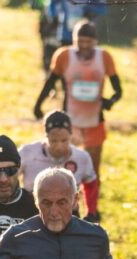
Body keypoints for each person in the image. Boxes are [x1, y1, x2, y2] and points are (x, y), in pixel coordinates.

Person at [33, 20, 121, 224]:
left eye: (88, 42)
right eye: (79, 41)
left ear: (96, 42)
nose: (84, 46)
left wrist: (110, 102)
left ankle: (92, 212)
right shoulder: (64, 55)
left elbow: (119, 90)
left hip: (94, 120)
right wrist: (38, 104)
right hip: (68, 122)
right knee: (64, 167)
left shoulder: (104, 57)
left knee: (92, 171)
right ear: (73, 40)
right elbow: (50, 81)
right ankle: (65, 208)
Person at [19, 110, 97, 218]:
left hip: (69, 214)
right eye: (54, 141)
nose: (59, 146)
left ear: (71, 135)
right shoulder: (27, 152)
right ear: (46, 137)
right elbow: (11, 178)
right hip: (34, 212)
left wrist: (91, 213)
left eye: (64, 140)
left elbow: (91, 185)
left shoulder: (82, 157)